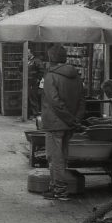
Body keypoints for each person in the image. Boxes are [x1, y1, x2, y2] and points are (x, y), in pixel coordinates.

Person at [41, 45, 85, 201]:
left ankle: (59, 189)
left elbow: (54, 102)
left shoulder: (50, 76)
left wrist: (69, 118)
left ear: (51, 58)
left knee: (55, 157)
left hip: (55, 123)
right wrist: (75, 120)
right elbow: (81, 100)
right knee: (62, 156)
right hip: (69, 123)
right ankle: (55, 187)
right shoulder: (76, 76)